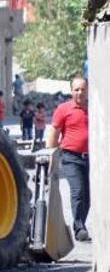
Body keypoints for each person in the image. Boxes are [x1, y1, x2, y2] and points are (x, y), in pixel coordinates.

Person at [47, 76, 90, 242]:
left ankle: (81, 224)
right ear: (71, 91)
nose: (80, 92)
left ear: (87, 90)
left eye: (83, 89)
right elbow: (54, 132)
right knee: (78, 191)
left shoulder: (94, 108)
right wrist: (52, 155)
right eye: (76, 89)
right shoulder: (64, 109)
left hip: (92, 159)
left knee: (88, 195)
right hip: (71, 157)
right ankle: (80, 228)